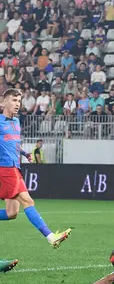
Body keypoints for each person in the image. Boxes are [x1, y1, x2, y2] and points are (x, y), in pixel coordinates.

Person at [0, 89, 71, 267]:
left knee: (12, 213)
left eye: (19, 100)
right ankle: (50, 237)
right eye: (14, 100)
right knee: (28, 201)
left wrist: (24, 153)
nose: (17, 103)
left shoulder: (16, 122)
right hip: (6, 169)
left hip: (15, 167)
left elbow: (14, 144)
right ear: (4, 102)